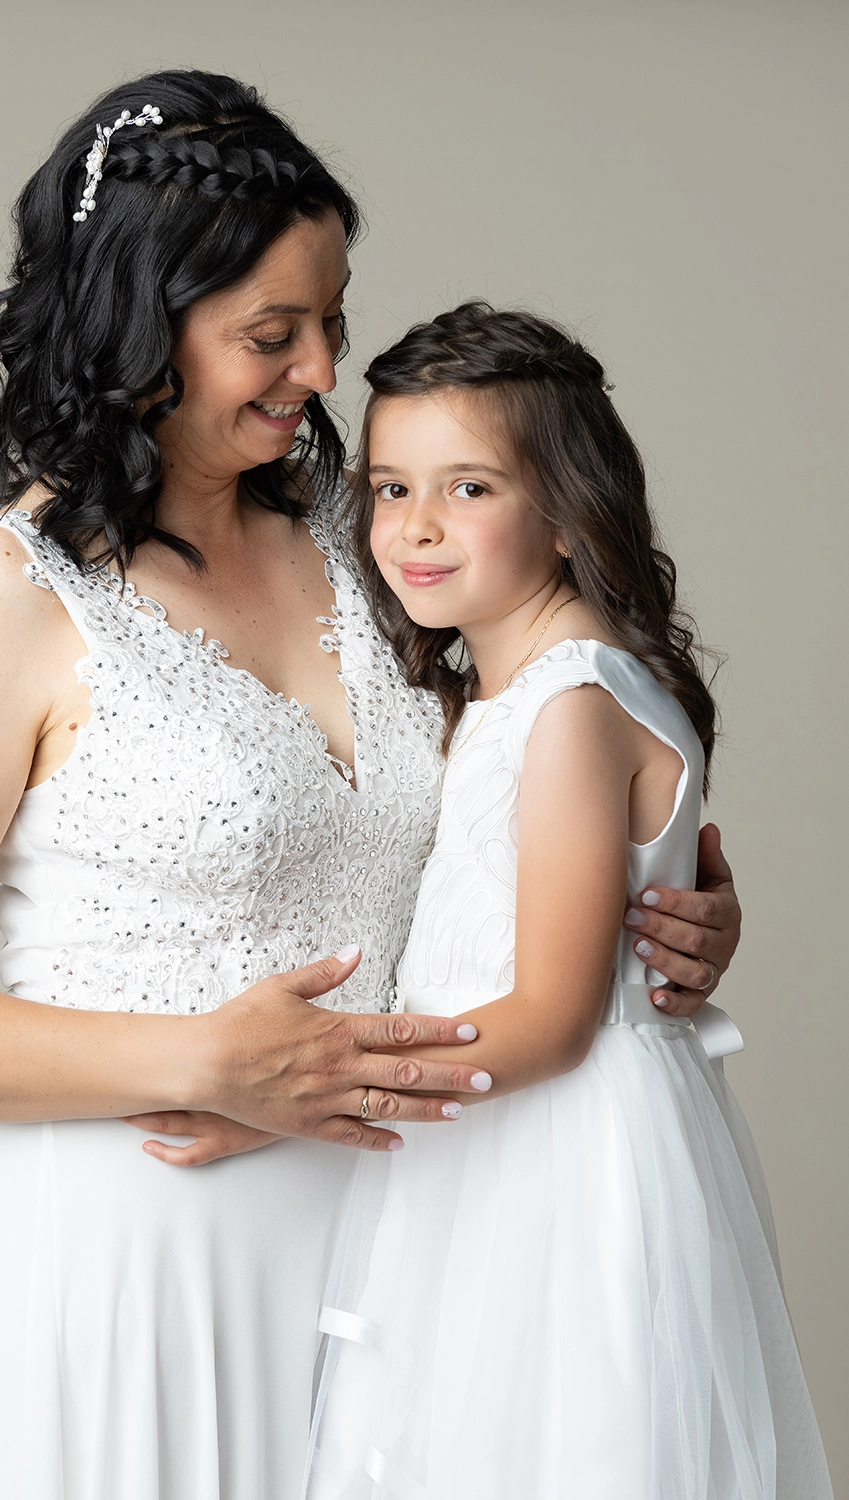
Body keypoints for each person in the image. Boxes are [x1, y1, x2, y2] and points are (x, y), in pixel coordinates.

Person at [0, 72, 742, 1500]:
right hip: (136, 1252)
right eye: (271, 333)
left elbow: (535, 775)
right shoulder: (14, 595)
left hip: (416, 1240)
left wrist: (657, 902)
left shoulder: (373, 539)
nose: (320, 371)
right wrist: (205, 1064)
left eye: (333, 321)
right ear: (140, 325)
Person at [295, 303, 831, 1499]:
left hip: (547, 1155)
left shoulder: (570, 704)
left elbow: (547, 1019)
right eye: (389, 487)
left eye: (470, 488)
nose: (416, 527)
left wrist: (301, 1086)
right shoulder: (524, 690)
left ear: (566, 509)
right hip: (488, 1137)